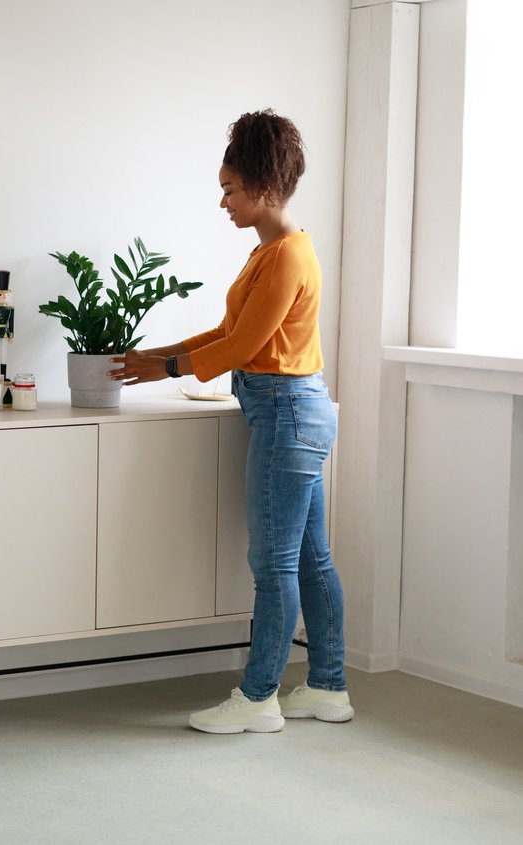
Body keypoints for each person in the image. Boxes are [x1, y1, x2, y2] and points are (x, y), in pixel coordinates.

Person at [109, 109, 353, 734]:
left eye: (230, 189)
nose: (222, 202)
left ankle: (258, 698)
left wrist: (169, 370)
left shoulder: (286, 258)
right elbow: (229, 332)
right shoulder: (270, 252)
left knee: (275, 564)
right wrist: (159, 356)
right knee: (310, 559)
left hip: (286, 413)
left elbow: (243, 349)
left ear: (265, 188)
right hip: (294, 409)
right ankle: (327, 687)